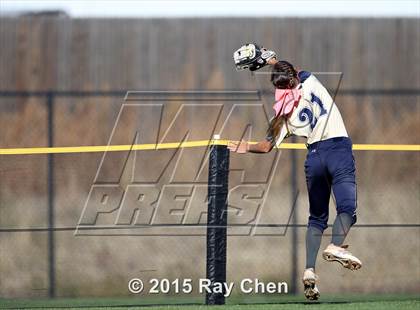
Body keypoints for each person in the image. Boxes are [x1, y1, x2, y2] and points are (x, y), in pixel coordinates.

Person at [230, 43, 362, 300]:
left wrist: (242, 147)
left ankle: (309, 271)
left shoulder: (282, 115)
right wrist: (269, 59)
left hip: (314, 158)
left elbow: (266, 147)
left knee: (316, 218)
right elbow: (295, 70)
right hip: (338, 150)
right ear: (292, 79)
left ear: (277, 88)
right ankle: (335, 246)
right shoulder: (310, 83)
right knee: (347, 208)